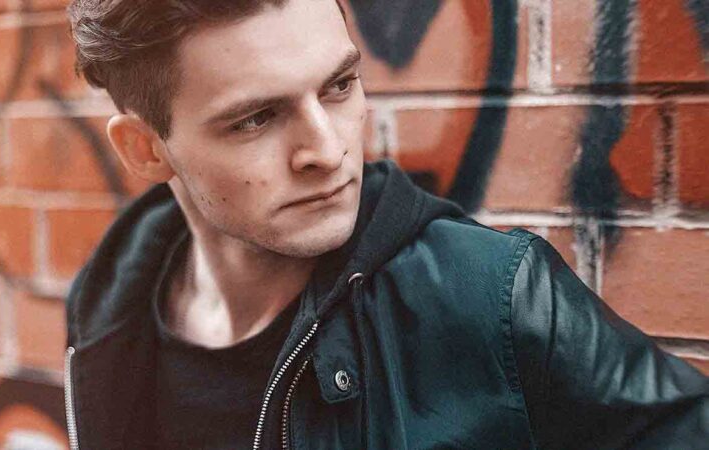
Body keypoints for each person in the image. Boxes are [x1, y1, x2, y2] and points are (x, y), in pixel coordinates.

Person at [62, 0, 708, 448]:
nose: (328, 150)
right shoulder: (109, 305)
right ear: (145, 149)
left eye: (339, 86)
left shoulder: (491, 295)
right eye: (256, 119)